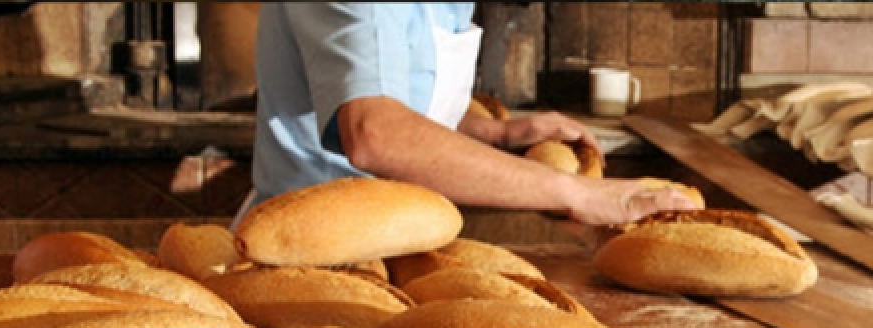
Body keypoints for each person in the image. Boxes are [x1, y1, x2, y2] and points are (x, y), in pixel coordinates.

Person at [240, 3, 702, 229]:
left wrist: (495, 133)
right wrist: (576, 193)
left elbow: (405, 93)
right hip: (311, 249)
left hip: (397, 238)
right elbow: (373, 130)